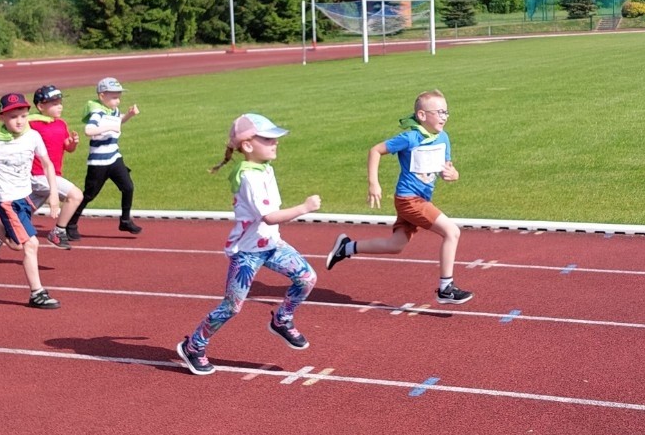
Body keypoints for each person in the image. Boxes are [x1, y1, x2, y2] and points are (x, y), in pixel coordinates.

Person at [176, 113, 319, 376]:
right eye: (268, 139)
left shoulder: (264, 167)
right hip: (247, 253)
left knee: (307, 278)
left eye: (275, 138)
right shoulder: (248, 176)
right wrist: (304, 207)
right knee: (232, 307)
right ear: (248, 145)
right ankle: (194, 346)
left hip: (271, 245)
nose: (275, 143)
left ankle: (282, 319)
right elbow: (269, 216)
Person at [324, 90, 473, 304]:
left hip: (422, 199)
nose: (444, 116)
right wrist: (373, 183)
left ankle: (346, 247)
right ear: (422, 115)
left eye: (446, 112)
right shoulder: (410, 137)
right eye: (439, 112)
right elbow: (375, 150)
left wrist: (453, 174)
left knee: (396, 245)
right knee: (452, 231)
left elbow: (447, 167)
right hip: (409, 200)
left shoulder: (443, 137)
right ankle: (445, 288)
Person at [0, 92, 63, 309]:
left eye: (23, 115)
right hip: (8, 201)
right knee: (31, 243)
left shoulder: (33, 136)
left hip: (24, 197)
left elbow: (47, 164)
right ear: (1, 118)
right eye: (12, 116)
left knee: (15, 244)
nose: (19, 120)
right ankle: (37, 293)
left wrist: (54, 195)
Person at [67, 77, 142, 238]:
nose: (118, 100)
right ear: (102, 96)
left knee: (128, 187)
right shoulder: (97, 112)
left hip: (114, 157)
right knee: (89, 195)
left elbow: (118, 122)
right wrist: (110, 126)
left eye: (119, 96)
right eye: (114, 97)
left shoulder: (113, 110)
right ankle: (70, 224)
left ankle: (125, 220)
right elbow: (89, 130)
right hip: (99, 162)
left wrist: (129, 115)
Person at [28, 85, 84, 248]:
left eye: (60, 102)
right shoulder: (32, 124)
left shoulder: (61, 124)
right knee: (75, 195)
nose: (59, 106)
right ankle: (58, 231)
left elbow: (67, 147)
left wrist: (72, 143)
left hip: (52, 177)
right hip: (38, 175)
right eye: (54, 103)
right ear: (40, 107)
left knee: (20, 217)